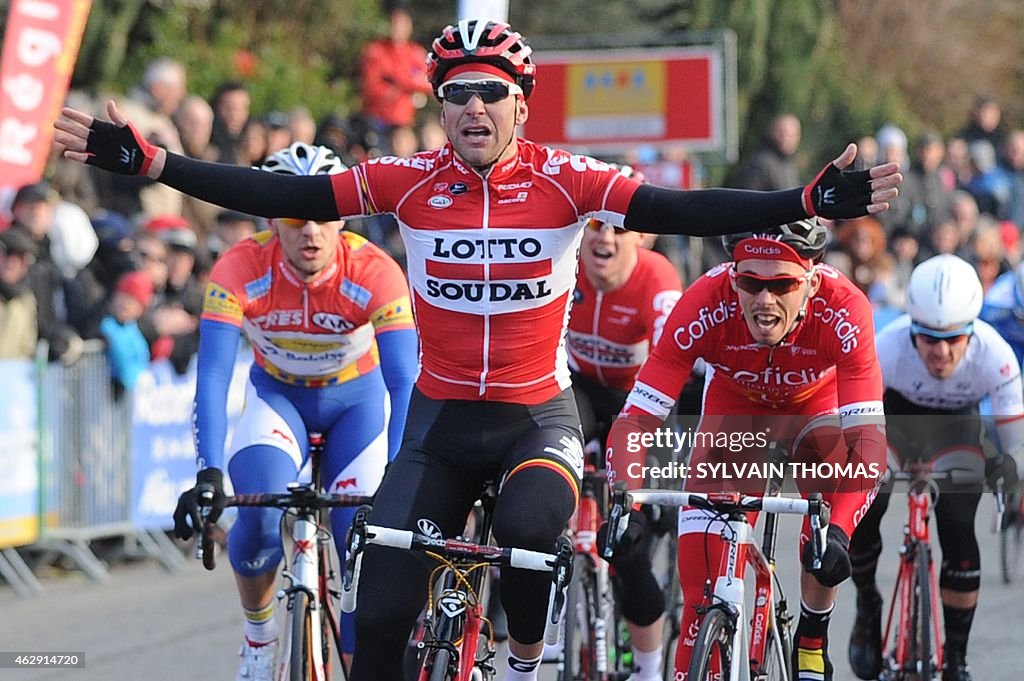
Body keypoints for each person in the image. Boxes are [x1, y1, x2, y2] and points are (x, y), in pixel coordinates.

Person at [54, 19, 901, 681]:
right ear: (440, 105)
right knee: (381, 609)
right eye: (456, 93)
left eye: (490, 93)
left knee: (534, 538)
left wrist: (804, 197)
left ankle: (526, 663)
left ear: (520, 105)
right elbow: (285, 192)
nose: (472, 108)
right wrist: (158, 162)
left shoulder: (568, 180)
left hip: (537, 415)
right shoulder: (408, 181)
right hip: (441, 421)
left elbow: (680, 207)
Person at [168, 142, 418, 681]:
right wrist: (208, 472)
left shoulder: (375, 271)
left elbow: (403, 379)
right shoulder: (239, 267)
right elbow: (212, 376)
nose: (311, 232)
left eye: (324, 218)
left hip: (359, 406)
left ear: (343, 220)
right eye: (296, 218)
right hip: (278, 400)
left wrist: (401, 469)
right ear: (272, 221)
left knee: (364, 542)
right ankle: (259, 638)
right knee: (256, 519)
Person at [605, 219, 888, 681]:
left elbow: (869, 447)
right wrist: (627, 504)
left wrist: (837, 528)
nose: (764, 300)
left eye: (782, 284)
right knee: (700, 594)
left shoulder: (845, 307)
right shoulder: (705, 301)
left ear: (812, 282)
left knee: (824, 531)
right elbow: (637, 416)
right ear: (733, 276)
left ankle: (812, 636)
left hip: (814, 410)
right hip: (738, 418)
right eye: (751, 282)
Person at [846, 254, 1024, 681]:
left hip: (956, 434)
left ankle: (956, 660)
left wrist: (1012, 478)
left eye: (953, 339)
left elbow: (1015, 442)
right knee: (864, 504)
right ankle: (868, 603)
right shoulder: (885, 347)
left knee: (960, 528)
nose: (940, 352)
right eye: (927, 339)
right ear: (911, 329)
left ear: (972, 332)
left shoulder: (995, 355)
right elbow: (852, 426)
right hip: (892, 427)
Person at [564, 193, 683, 680]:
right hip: (579, 390)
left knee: (631, 538)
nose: (605, 237)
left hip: (642, 400)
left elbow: (673, 359)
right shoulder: (564, 266)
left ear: (641, 236)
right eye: (596, 224)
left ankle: (649, 669)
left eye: (619, 228)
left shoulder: (657, 279)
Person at [357, 2, 433, 144]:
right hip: (377, 120)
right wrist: (407, 87)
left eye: (403, 23)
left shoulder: (416, 53)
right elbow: (371, 86)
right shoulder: (376, 50)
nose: (398, 28)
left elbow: (428, 82)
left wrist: (399, 80)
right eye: (395, 23)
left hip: (405, 122)